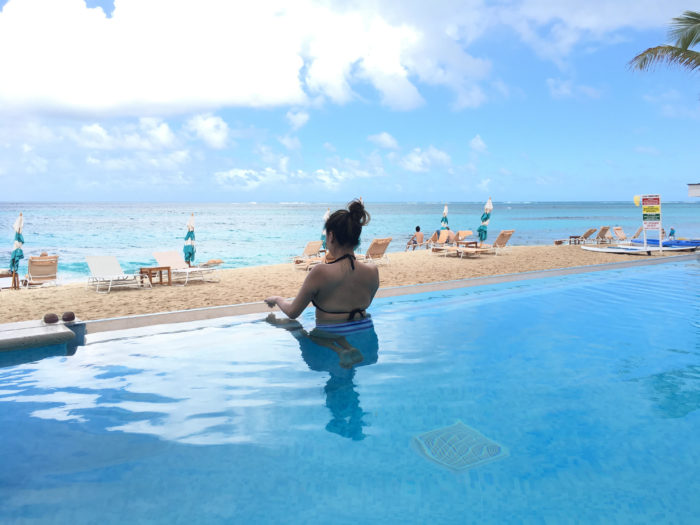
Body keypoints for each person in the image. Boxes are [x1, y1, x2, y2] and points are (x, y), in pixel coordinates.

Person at [265, 199, 379, 325]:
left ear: (331, 236)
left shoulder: (320, 272)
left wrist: (277, 299)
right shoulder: (373, 271)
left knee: (288, 327)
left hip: (330, 338)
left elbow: (293, 312)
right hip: (365, 334)